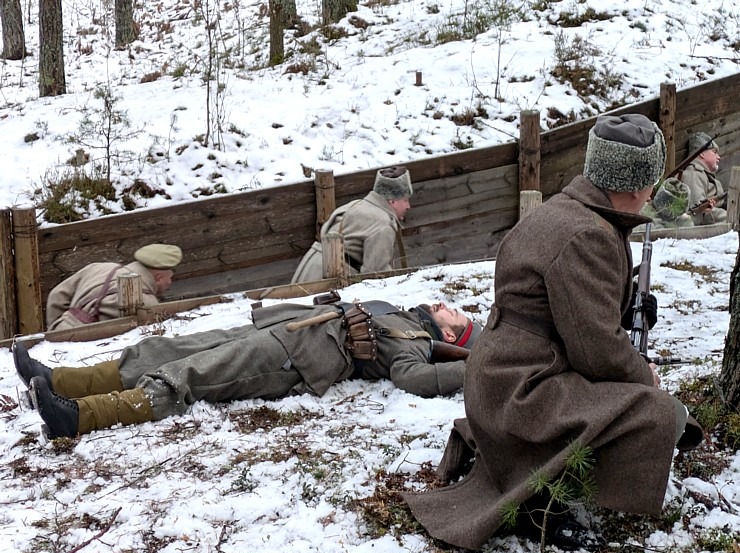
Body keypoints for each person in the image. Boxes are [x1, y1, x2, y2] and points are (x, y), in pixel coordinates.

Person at [402, 114, 703, 552]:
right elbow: (596, 351)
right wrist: (644, 375)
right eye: (651, 182)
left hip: (502, 379)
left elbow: (565, 311)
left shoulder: (562, 214)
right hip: (524, 389)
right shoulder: (588, 235)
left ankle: (523, 468)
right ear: (638, 185)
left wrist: (631, 306)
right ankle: (538, 501)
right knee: (654, 410)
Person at [14, 297, 481, 440]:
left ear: (453, 338)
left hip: (294, 358)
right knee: (165, 350)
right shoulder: (402, 312)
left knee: (191, 374)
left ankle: (77, 416)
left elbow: (412, 380)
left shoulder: (416, 345)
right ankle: (60, 381)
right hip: (284, 327)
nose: (447, 306)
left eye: (456, 315)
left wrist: (476, 369)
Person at [291, 166, 413, 283]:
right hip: (330, 279)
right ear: (392, 200)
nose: (408, 206)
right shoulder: (383, 224)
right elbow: (376, 275)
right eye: (405, 200)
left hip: (310, 267)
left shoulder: (358, 205)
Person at [46, 244, 183, 332]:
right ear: (159, 278)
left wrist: (57, 331)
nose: (170, 283)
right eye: (170, 277)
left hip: (60, 334)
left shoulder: (97, 267)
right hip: (85, 349)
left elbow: (57, 296)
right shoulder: (147, 302)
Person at [679, 132, 727, 225]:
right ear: (702, 153)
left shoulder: (704, 174)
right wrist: (731, 216)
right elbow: (699, 212)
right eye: (714, 152)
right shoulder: (693, 174)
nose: (719, 157)